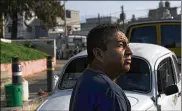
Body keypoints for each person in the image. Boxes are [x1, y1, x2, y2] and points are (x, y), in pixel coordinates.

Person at [69, 23, 133, 111]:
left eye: (128, 45)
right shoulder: (110, 91)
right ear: (99, 54)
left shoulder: (85, 79)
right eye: (121, 45)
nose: (130, 52)